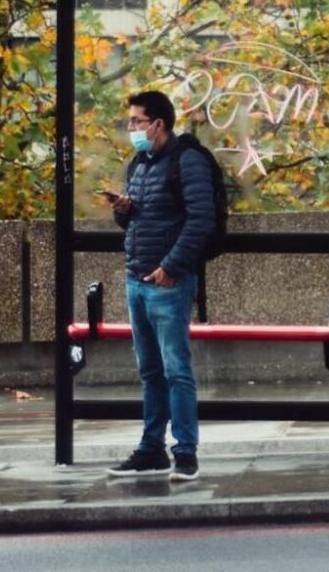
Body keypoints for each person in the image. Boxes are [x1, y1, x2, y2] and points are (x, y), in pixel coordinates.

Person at [102, 91, 218, 483]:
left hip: (168, 282)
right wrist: (126, 210)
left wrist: (171, 267)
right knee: (150, 370)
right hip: (137, 278)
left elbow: (202, 220)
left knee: (176, 370)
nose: (131, 129)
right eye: (130, 121)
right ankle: (152, 448)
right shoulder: (141, 163)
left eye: (137, 121)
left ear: (158, 124)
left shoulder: (188, 161)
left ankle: (185, 452)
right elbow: (142, 221)